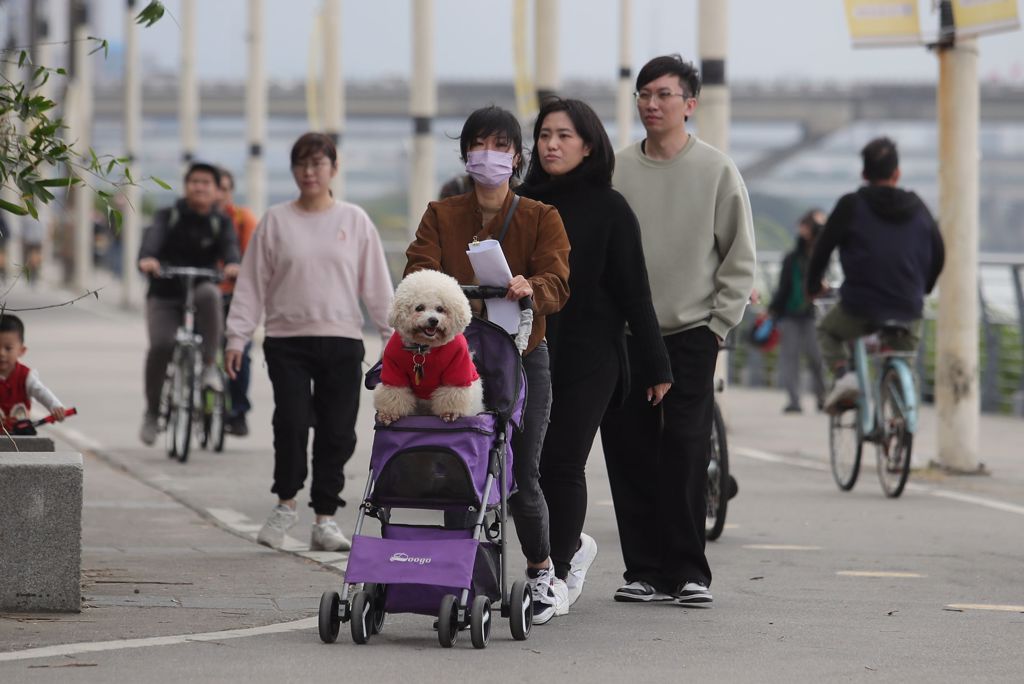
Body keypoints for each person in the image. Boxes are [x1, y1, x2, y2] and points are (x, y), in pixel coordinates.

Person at [405, 105, 571, 624]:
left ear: (516, 157)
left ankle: (543, 566)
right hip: (454, 355)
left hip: (523, 354)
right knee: (457, 460)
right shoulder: (441, 214)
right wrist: (443, 293)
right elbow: (419, 268)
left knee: (521, 467)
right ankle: (459, 569)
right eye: (480, 145)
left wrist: (530, 288)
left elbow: (557, 282)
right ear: (466, 154)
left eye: (500, 147)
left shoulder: (542, 217)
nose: (489, 156)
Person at [601, 54, 756, 607]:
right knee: (628, 449)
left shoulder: (716, 171)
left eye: (664, 94)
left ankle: (689, 571)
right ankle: (643, 570)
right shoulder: (615, 169)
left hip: (692, 330)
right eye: (644, 93)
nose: (651, 103)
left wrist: (718, 326)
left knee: (687, 448)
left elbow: (739, 257)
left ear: (690, 105)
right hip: (625, 335)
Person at [516, 97, 673, 608]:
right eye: (544, 135)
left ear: (589, 145)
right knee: (524, 465)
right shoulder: (522, 206)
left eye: (564, 135)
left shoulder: (611, 209)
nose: (552, 144)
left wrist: (655, 364)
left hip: (592, 356)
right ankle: (566, 549)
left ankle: (554, 575)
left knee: (562, 461)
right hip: (528, 351)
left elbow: (635, 293)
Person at [225, 132, 393, 553]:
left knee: (338, 432)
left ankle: (325, 518)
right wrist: (236, 337)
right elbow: (250, 286)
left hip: (341, 340)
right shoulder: (276, 221)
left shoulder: (354, 221)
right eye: (301, 163)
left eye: (318, 163)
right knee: (292, 423)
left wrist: (393, 340)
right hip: (287, 342)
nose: (309, 171)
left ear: (334, 169)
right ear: (293, 170)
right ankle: (285, 503)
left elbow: (376, 286)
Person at [808, 136, 945, 412]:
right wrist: (924, 288)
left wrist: (813, 286)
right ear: (897, 173)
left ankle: (846, 376)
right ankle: (901, 423)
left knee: (827, 329)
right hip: (909, 305)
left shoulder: (850, 205)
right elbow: (939, 252)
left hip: (860, 306)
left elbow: (822, 249)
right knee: (902, 358)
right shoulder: (918, 206)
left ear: (864, 174)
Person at [138, 162, 241, 445]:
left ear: (216, 190)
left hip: (199, 288)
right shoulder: (167, 216)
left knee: (210, 294)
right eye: (194, 181)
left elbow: (231, 248)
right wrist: (149, 259)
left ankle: (209, 365)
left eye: (206, 182)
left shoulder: (220, 222)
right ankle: (152, 411)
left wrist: (233, 264)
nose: (199, 187)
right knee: (161, 345)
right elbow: (151, 243)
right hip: (165, 292)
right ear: (186, 186)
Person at [768, 209, 828, 414]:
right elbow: (784, 288)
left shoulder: (823, 256)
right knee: (790, 360)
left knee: (817, 358)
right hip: (791, 315)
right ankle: (794, 400)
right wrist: (773, 310)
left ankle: (823, 397)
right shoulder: (793, 258)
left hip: (812, 315)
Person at [217, 168, 259, 437]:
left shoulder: (243, 219)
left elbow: (256, 258)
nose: (217, 193)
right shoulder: (191, 218)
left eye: (223, 188)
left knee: (240, 352)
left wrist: (238, 270)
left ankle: (238, 411)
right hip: (199, 292)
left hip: (235, 294)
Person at [0, 314, 67, 436]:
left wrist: (55, 406)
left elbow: (41, 392)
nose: (1, 353)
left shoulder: (26, 376)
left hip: (21, 435)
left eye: (8, 348)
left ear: (21, 350)